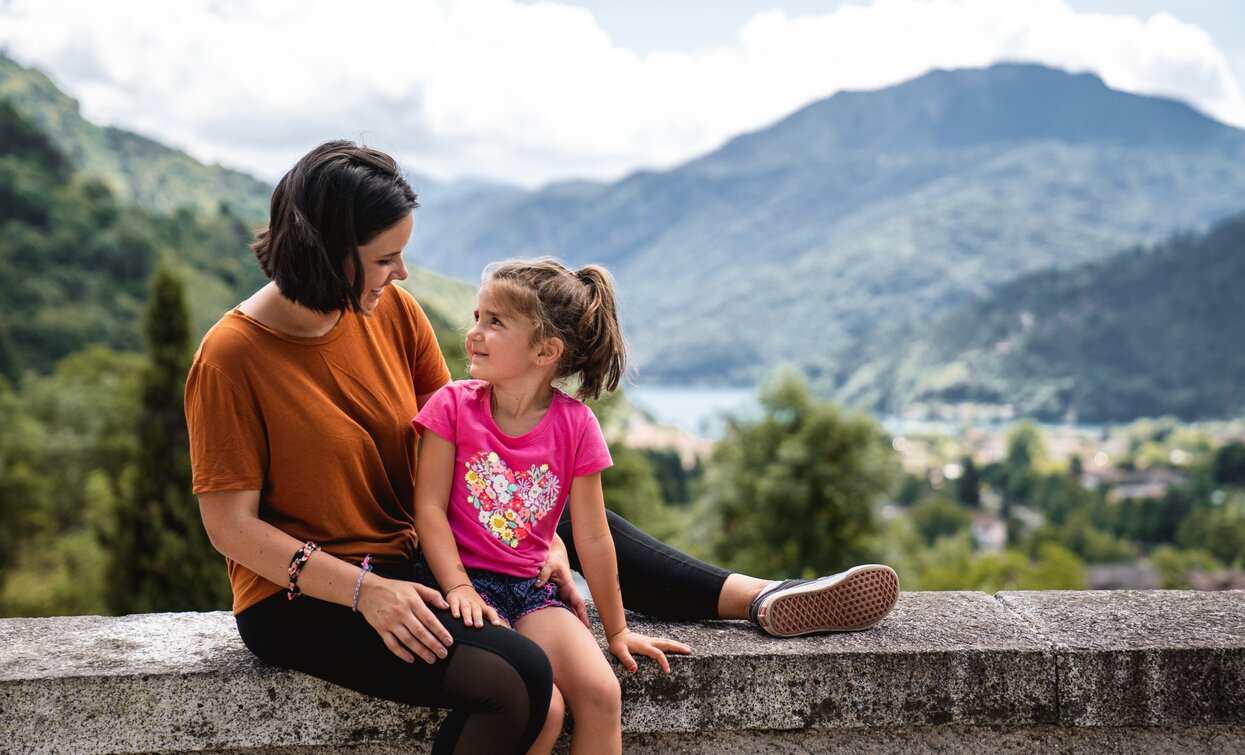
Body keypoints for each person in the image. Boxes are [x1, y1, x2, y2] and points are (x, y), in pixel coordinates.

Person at [185, 139, 899, 755]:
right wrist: (365, 592)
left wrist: (538, 543)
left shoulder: (387, 311)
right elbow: (230, 527)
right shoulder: (231, 356)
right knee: (522, 680)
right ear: (327, 252)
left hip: (405, 554)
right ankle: (755, 594)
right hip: (305, 596)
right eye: (385, 258)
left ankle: (762, 596)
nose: (400, 275)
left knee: (542, 489)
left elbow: (474, 439)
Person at [412, 258, 691, 753]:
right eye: (477, 316)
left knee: (603, 693)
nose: (474, 332)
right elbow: (429, 510)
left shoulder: (576, 425)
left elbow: (592, 536)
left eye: (495, 322)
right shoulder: (452, 407)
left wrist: (618, 629)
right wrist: (457, 587)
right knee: (543, 709)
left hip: (529, 589)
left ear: (546, 350)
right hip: (460, 585)